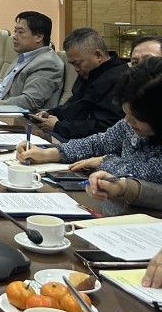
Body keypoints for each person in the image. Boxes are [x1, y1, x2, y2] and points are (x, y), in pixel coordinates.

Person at [17, 57, 162, 213]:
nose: (127, 120)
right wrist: (49, 153)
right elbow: (98, 143)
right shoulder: (130, 125)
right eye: (125, 112)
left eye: (135, 116)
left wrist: (104, 160)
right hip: (117, 211)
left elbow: (141, 174)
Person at [29, 27, 127, 140]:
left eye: (78, 63)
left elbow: (107, 127)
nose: (76, 69)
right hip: (70, 133)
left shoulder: (119, 79)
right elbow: (75, 104)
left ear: (98, 55)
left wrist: (59, 126)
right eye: (73, 64)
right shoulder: (90, 72)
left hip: (89, 142)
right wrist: (51, 114)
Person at [0, 11, 64, 111]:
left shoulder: (48, 63)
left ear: (39, 37)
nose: (15, 36)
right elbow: (4, 91)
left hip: (12, 115)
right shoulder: (24, 56)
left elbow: (29, 102)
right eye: (15, 31)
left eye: (20, 32)